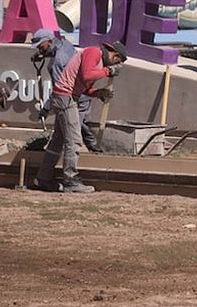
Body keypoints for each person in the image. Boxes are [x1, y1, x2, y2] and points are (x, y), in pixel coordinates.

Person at [36, 40, 128, 193]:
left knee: (58, 141)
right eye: (117, 61)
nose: (114, 65)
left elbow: (85, 87)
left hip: (67, 96)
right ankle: (70, 180)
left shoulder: (99, 64)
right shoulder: (94, 52)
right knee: (74, 139)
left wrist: (98, 93)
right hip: (66, 96)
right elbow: (86, 75)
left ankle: (43, 178)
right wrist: (108, 72)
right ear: (115, 55)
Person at [31, 28, 102, 154]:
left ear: (49, 41)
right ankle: (95, 148)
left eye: (41, 46)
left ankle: (71, 167)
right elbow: (57, 50)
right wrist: (43, 54)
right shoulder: (65, 44)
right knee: (80, 124)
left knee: (71, 133)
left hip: (74, 98)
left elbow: (60, 89)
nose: (39, 49)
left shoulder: (58, 61)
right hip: (81, 93)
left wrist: (46, 108)